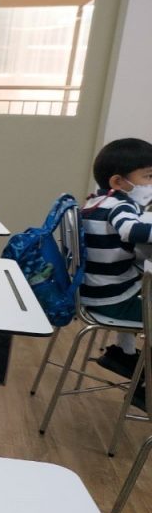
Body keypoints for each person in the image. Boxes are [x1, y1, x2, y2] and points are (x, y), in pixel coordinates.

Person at [80, 137, 152, 381]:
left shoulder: (96, 201)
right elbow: (130, 230)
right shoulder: (119, 206)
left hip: (95, 291)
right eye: (148, 177)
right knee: (142, 286)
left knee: (139, 278)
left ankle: (124, 353)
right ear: (118, 182)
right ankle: (145, 383)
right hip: (111, 298)